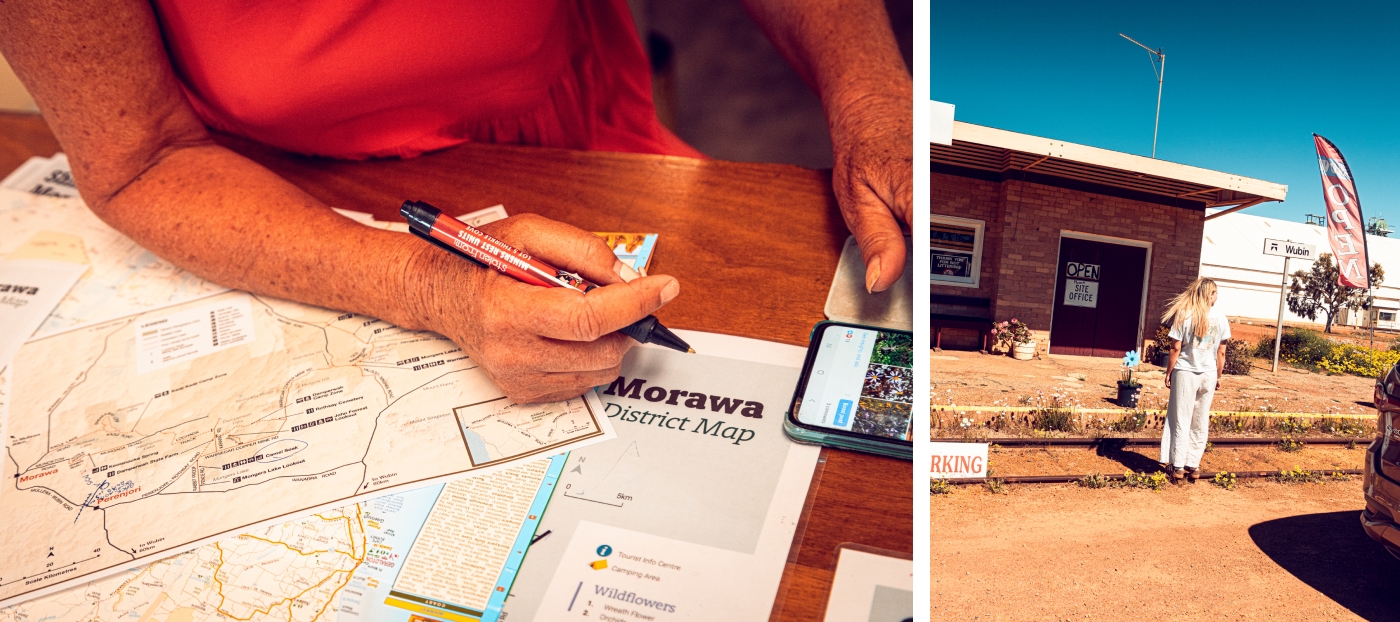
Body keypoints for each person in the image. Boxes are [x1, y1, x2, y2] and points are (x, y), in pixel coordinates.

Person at [0, 0, 911, 403]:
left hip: (574, 140)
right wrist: (430, 286)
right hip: (266, 197)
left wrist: (872, 88)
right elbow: (137, 159)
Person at [1159, 277, 1230, 484]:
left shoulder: (1184, 315)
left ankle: (1178, 466)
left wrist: (1169, 372)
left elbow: (1175, 348)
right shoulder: (1221, 319)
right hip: (1209, 374)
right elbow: (1221, 352)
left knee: (1181, 419)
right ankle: (1193, 464)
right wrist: (1219, 375)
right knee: (1200, 420)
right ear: (1210, 295)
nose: (1217, 296)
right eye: (1215, 293)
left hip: (1186, 372)